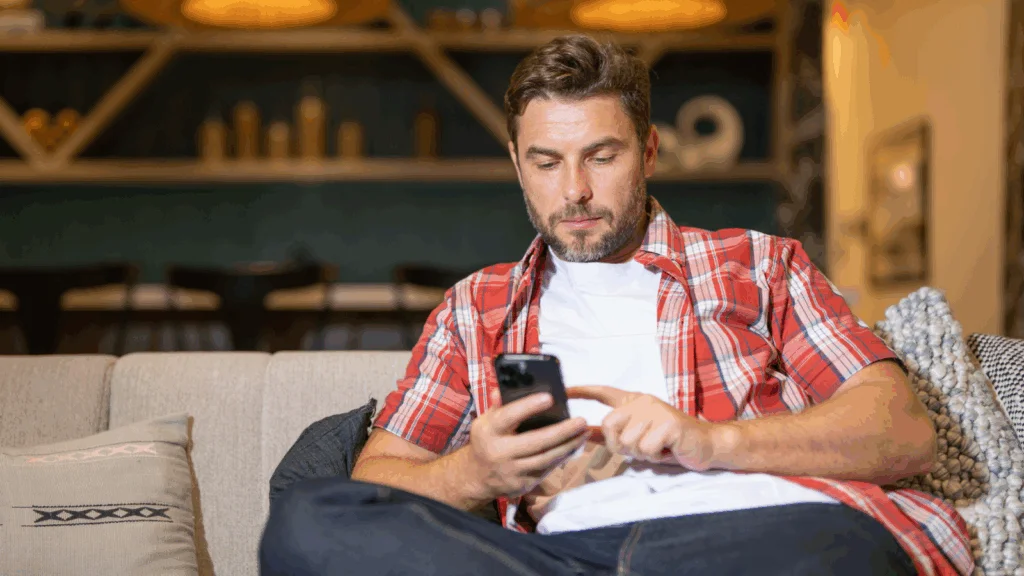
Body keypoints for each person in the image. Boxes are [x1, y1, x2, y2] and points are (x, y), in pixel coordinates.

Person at [260, 34, 973, 576]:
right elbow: (379, 482)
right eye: (546, 162)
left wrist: (711, 442)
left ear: (650, 151)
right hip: (557, 558)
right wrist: (477, 474)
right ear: (517, 165)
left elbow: (901, 431)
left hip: (747, 538)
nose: (573, 190)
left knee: (837, 548)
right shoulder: (476, 306)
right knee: (308, 522)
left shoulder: (760, 264)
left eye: (601, 156)